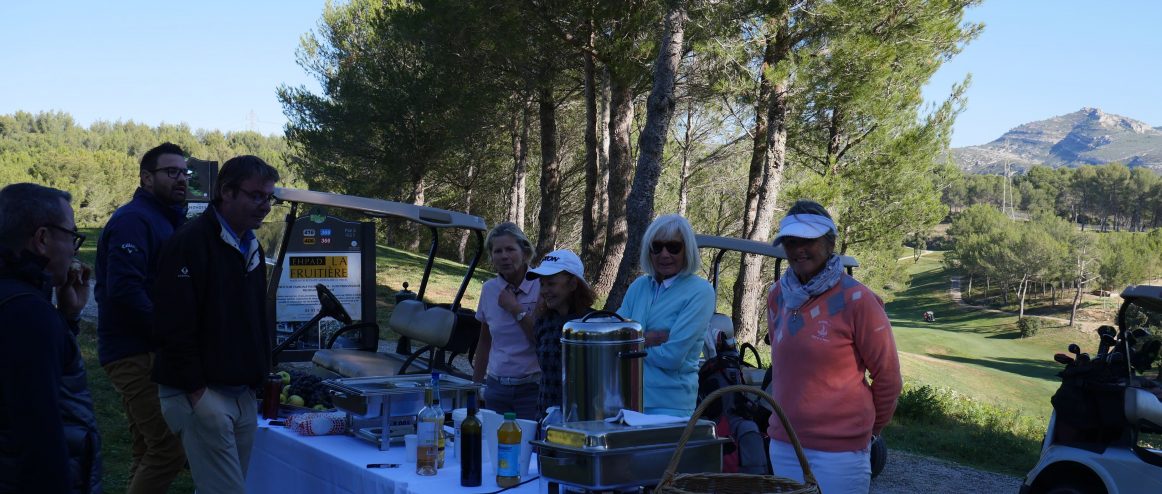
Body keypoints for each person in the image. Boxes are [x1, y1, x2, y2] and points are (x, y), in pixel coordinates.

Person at [152, 155, 280, 494]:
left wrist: (258, 378)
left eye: (269, 197)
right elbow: (172, 325)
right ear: (226, 191)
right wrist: (197, 393)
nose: (265, 206)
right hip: (198, 392)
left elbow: (252, 319)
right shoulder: (189, 242)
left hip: (241, 394)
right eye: (256, 196)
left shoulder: (250, 244)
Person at [765, 200, 902, 494]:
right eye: (791, 241)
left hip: (839, 454)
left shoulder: (859, 300)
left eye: (808, 240)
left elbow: (888, 377)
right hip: (783, 443)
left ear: (829, 242)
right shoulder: (777, 296)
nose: (799, 248)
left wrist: (868, 431)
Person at [95, 142, 189, 493]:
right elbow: (125, 290)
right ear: (146, 178)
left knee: (146, 448)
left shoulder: (166, 220)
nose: (180, 179)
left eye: (184, 172)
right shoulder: (135, 220)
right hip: (133, 352)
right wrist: (167, 331)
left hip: (149, 349)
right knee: (168, 449)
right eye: (171, 172)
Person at [0, 183, 102, 493]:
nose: (73, 249)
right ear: (42, 239)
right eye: (71, 236)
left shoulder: (19, 300)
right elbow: (39, 432)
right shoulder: (29, 314)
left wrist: (67, 318)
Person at [616, 214, 715, 417]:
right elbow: (612, 339)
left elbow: (672, 358)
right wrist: (648, 338)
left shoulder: (700, 291)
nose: (664, 254)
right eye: (657, 246)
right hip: (626, 401)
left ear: (687, 249)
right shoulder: (639, 286)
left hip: (671, 407)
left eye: (673, 247)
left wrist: (628, 344)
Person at [472, 222, 541, 420]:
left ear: (525, 251)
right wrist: (475, 387)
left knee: (529, 448)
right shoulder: (489, 289)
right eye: (498, 251)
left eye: (510, 249)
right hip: (496, 389)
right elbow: (485, 341)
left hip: (532, 389)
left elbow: (541, 339)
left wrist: (515, 308)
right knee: (495, 447)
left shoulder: (541, 285)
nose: (504, 256)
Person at [524, 249, 596, 418]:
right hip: (545, 417)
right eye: (542, 284)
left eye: (551, 284)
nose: (544, 290)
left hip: (582, 420)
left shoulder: (592, 324)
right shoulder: (543, 322)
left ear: (573, 284)